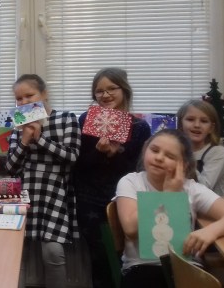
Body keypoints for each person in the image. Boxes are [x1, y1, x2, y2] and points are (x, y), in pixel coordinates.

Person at [115, 129, 224, 287]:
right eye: (154, 150)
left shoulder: (191, 188)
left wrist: (211, 231)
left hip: (187, 266)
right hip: (143, 267)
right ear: (145, 150)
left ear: (183, 165)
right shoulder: (131, 182)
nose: (159, 158)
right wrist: (168, 195)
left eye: (170, 156)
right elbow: (130, 229)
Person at [73, 67, 151, 288]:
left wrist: (116, 153)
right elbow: (79, 164)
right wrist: (100, 152)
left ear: (124, 90)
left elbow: (139, 171)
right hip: (89, 200)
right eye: (99, 91)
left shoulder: (139, 127)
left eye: (112, 89)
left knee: (129, 260)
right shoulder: (86, 120)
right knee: (99, 260)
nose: (105, 95)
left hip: (125, 201)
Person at [5, 74, 80, 287]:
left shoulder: (66, 118)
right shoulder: (18, 126)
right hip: (25, 195)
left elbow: (72, 157)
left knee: (53, 251)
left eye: (29, 95)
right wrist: (24, 141)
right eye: (19, 98)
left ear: (44, 94)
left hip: (55, 194)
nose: (24, 102)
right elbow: (10, 167)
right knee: (19, 252)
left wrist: (40, 139)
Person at [177, 99, 224, 196]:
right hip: (180, 201)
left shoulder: (218, 152)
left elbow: (203, 189)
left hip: (212, 204)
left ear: (211, 128)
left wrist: (184, 157)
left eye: (204, 121)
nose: (197, 125)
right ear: (180, 125)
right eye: (190, 119)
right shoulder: (175, 149)